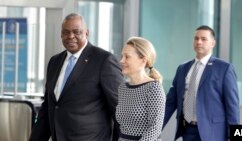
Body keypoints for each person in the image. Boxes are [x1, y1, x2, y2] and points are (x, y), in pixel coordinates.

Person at [29, 13, 124, 141]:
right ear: (61, 34)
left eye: (76, 32)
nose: (71, 36)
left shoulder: (103, 60)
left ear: (86, 33)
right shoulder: (54, 61)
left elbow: (120, 108)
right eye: (66, 32)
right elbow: (48, 108)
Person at [163, 25, 240, 141]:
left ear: (212, 43)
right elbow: (170, 102)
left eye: (204, 39)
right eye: (196, 38)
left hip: (214, 133)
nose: (199, 42)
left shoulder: (225, 68)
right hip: (187, 130)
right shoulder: (182, 68)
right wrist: (155, 129)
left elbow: (233, 107)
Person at [116, 36, 166, 141]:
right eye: (122, 56)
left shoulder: (154, 88)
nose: (121, 60)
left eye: (127, 57)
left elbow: (155, 128)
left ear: (143, 60)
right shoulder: (122, 88)